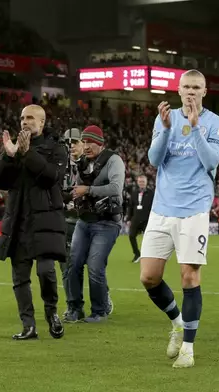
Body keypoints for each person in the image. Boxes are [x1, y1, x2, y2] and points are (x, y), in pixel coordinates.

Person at [140, 69, 219, 369]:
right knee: (148, 276)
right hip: (162, 208)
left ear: (205, 90)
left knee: (189, 276)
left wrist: (195, 126)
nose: (191, 91)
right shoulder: (165, 119)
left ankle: (188, 348)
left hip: (195, 209)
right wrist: (166, 129)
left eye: (196, 87)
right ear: (178, 90)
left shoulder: (217, 123)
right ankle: (177, 323)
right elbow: (153, 160)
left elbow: (211, 161)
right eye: (186, 86)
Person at [0, 104, 67, 341]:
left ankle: (51, 312)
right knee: (20, 278)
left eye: (30, 118)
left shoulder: (56, 148)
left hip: (45, 220)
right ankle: (28, 326)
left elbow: (51, 178)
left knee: (46, 271)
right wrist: (10, 156)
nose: (25, 121)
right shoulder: (15, 149)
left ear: (42, 123)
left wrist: (27, 153)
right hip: (18, 221)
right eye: (22, 117)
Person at [66, 125, 125, 323]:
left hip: (107, 223)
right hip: (84, 220)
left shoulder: (113, 160)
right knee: (73, 264)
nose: (88, 146)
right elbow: (74, 187)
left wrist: (88, 190)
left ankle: (100, 311)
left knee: (94, 265)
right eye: (85, 142)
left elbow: (116, 188)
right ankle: (75, 309)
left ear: (100, 144)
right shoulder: (81, 163)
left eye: (91, 142)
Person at [59, 128, 84, 322]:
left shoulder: (93, 166)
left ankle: (102, 296)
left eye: (75, 142)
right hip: (64, 222)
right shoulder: (58, 167)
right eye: (68, 143)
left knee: (94, 266)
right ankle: (73, 306)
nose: (72, 146)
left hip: (87, 222)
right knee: (67, 267)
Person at [126, 175, 154, 263]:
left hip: (147, 220)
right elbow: (130, 206)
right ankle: (137, 254)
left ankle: (148, 255)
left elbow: (154, 207)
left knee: (149, 239)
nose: (141, 183)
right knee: (131, 236)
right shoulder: (134, 193)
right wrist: (129, 219)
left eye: (143, 181)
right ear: (137, 182)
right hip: (136, 219)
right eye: (140, 181)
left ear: (146, 182)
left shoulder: (151, 193)